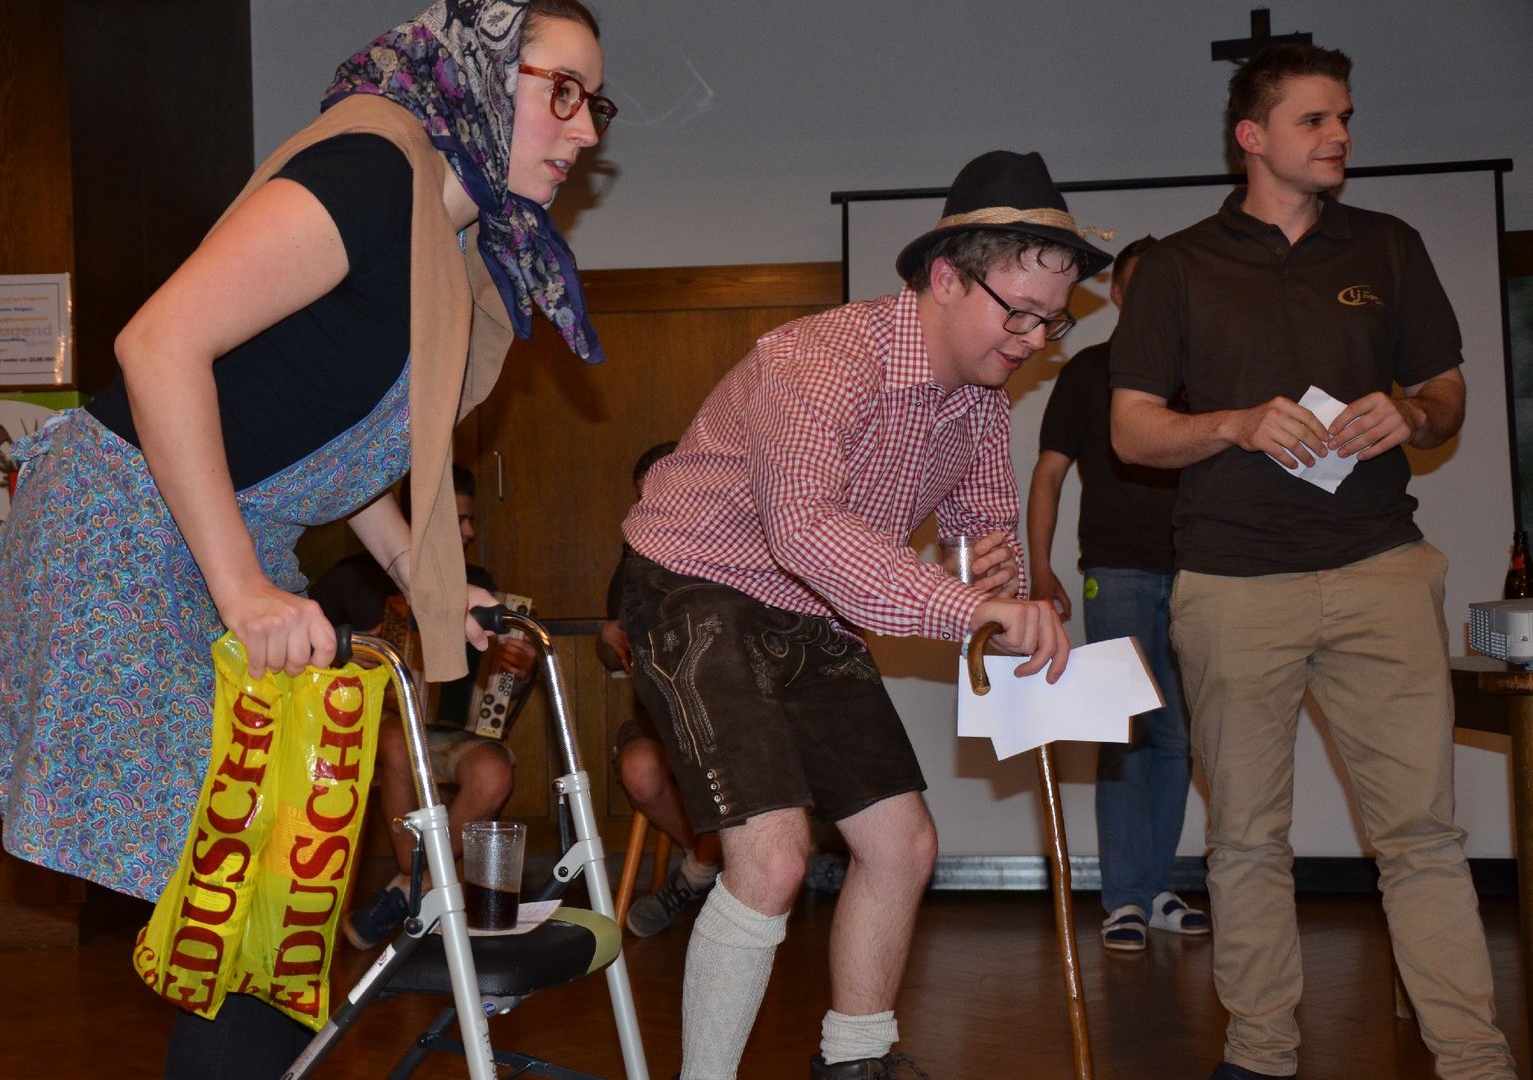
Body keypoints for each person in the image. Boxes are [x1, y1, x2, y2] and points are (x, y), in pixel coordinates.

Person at [0, 1, 612, 1074]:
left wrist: (424, 574)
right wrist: (243, 587)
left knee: (282, 904)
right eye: (560, 91)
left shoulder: (451, 238)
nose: (583, 130)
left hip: (226, 528)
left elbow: (323, 435)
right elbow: (157, 345)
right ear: (478, 76)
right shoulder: (370, 170)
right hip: (128, 527)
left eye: (595, 105)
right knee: (250, 895)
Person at [618, 151, 1103, 1080]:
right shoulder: (821, 359)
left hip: (811, 608)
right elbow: (804, 529)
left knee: (904, 844)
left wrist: (1000, 589)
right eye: (1020, 312)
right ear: (947, 278)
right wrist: (968, 605)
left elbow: (979, 531)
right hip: (694, 585)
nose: (1036, 339)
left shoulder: (981, 405)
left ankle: (856, 1060)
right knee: (772, 861)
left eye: (1054, 319)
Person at [1110, 43, 1516, 1080]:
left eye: (1344, 118)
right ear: (1252, 136)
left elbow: (1446, 393)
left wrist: (1412, 413)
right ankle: (1260, 1054)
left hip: (1381, 568)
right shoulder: (1179, 267)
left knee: (1422, 835)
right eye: (1314, 120)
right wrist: (1233, 423)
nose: (1338, 135)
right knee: (1246, 838)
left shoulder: (1387, 245)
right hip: (1231, 583)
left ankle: (1472, 1058)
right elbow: (1132, 431)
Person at [1026, 234, 1209, 953]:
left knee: (1178, 736)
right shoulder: (1089, 371)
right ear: (1121, 293)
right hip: (1118, 573)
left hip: (1201, 575)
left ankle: (1158, 888)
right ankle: (1124, 899)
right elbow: (1048, 474)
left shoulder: (1205, 374)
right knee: (1126, 733)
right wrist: (1040, 568)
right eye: (1145, 282)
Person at [316, 465, 537, 950]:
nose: (470, 532)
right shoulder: (351, 580)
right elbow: (304, 660)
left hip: (450, 731)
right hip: (379, 730)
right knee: (398, 740)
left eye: (469, 519)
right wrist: (348, 654)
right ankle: (420, 878)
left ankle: (409, 885)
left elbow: (497, 679)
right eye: (457, 521)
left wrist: (517, 671)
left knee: (493, 774)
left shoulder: (476, 585)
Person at [598, 442, 726, 937]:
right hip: (658, 715)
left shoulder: (731, 546)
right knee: (640, 770)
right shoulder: (635, 556)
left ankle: (693, 876)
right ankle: (709, 861)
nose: (649, 508)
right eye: (642, 497)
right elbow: (611, 654)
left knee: (735, 769)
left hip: (727, 717)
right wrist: (608, 639)